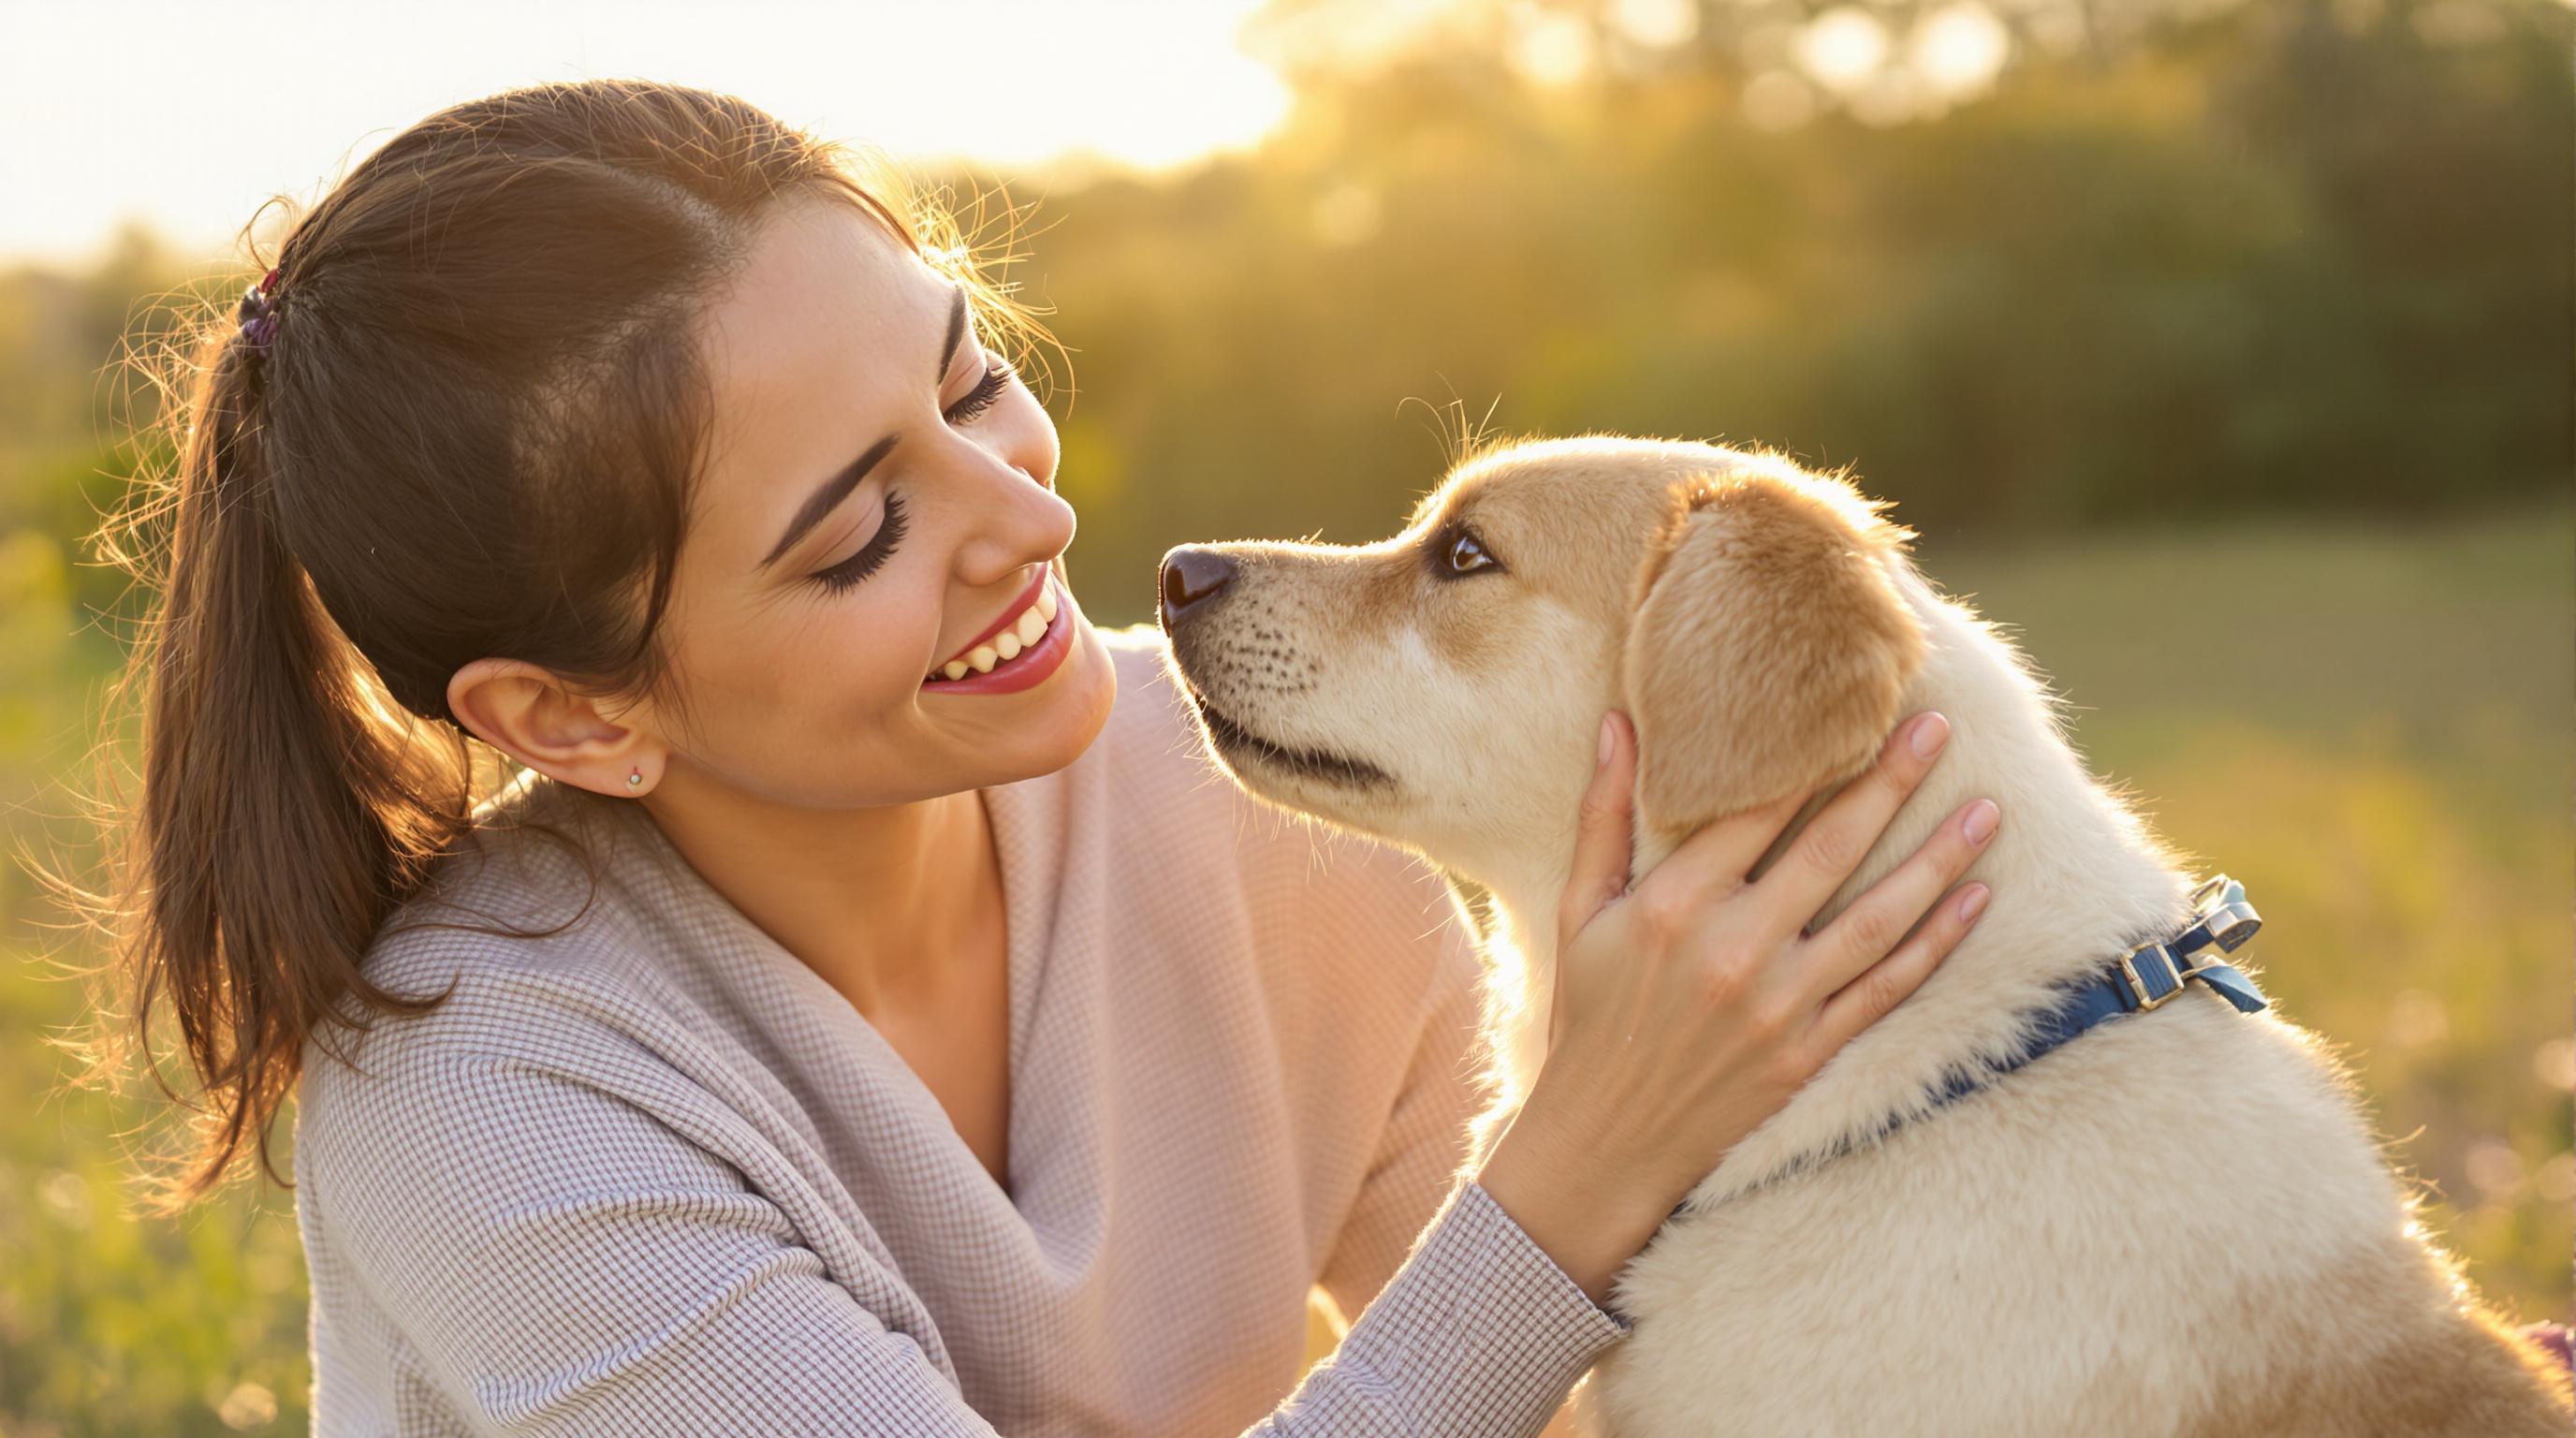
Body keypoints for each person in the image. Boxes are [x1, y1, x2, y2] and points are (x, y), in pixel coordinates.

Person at [90, 80, 2000, 1436]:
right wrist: (1580, 1169)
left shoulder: (1261, 793)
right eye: (860, 533)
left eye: (968, 379)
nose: (1025, 518)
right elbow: (1512, 1294)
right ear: (572, 716)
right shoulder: (487, 1099)